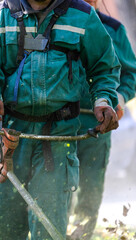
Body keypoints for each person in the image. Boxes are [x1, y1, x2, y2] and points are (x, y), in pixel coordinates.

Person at [0, 0, 120, 239]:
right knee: (7, 227)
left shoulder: (83, 17)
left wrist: (103, 100)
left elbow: (104, 68)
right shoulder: (0, 17)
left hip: (58, 139)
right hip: (9, 139)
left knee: (49, 227)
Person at [69, 1, 136, 239]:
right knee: (58, 187)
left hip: (96, 127)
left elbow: (131, 74)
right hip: (58, 124)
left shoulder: (113, 29)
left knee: (90, 190)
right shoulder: (59, 22)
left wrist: (118, 98)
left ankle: (80, 236)